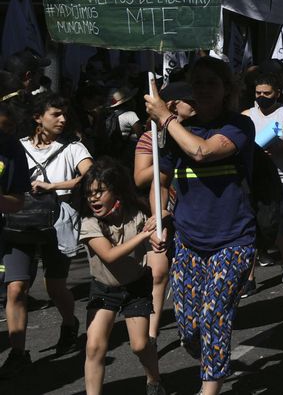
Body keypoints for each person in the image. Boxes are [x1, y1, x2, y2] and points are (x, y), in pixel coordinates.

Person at [144, 57, 256, 395]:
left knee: (213, 314)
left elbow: (202, 152)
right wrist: (159, 214)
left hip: (234, 240)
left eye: (212, 83)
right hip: (189, 242)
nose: (204, 90)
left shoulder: (239, 125)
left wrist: (165, 118)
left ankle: (210, 388)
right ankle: (212, 354)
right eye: (198, 84)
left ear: (227, 90)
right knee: (190, 328)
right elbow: (159, 181)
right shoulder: (176, 132)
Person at [7, 92, 93, 362]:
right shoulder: (16, 146)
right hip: (18, 224)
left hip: (58, 223)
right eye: (56, 114)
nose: (63, 119)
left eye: (64, 114)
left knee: (55, 287)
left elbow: (90, 176)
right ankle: (18, 352)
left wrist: (52, 186)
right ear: (37, 118)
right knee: (16, 288)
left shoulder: (73, 147)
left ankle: (69, 323)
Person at [78, 159, 165, 395]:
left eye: (99, 192)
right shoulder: (89, 223)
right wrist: (143, 235)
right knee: (94, 347)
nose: (93, 198)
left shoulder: (136, 212)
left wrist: (158, 229)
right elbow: (109, 255)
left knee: (139, 345)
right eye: (89, 194)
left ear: (115, 190)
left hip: (136, 286)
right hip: (104, 288)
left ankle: (153, 380)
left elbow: (161, 218)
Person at [132, 80, 195, 345]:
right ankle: (151, 336)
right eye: (190, 100)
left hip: (191, 212)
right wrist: (167, 159)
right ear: (172, 105)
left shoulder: (195, 134)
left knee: (189, 274)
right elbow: (140, 178)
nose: (197, 103)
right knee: (158, 271)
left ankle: (190, 325)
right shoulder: (151, 137)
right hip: (157, 213)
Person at [243, 72, 283, 286]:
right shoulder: (246, 116)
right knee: (250, 228)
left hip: (281, 179)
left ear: (277, 93)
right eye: (258, 92)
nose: (261, 96)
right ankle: (249, 276)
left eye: (266, 93)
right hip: (253, 181)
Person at [0, 123, 31, 378]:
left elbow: (18, 201)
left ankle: (18, 353)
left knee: (16, 288)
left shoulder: (10, 147)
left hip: (10, 232)